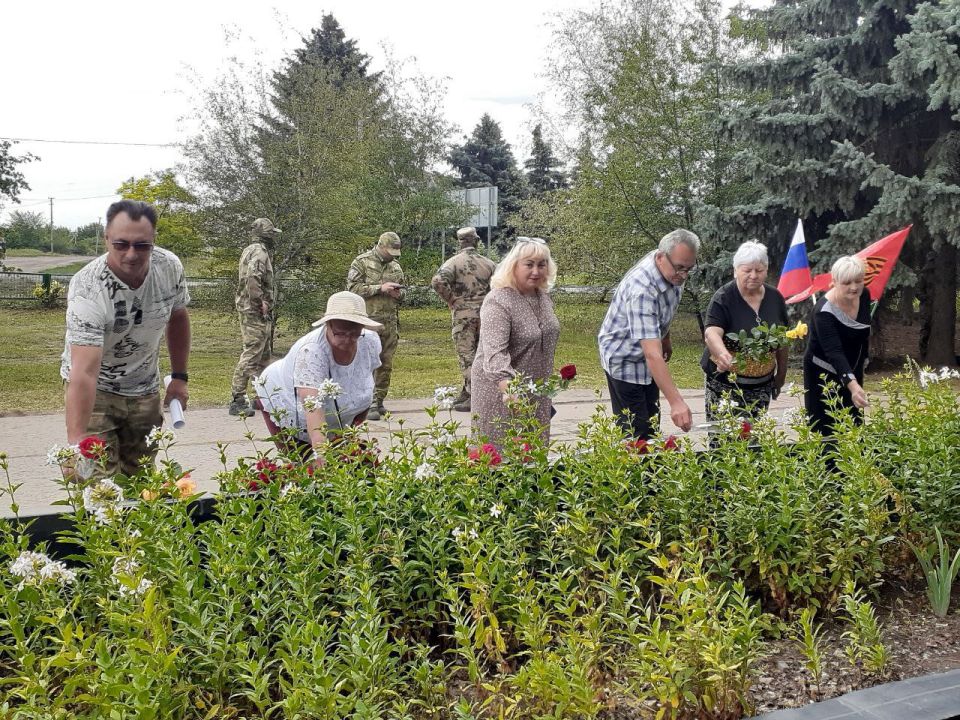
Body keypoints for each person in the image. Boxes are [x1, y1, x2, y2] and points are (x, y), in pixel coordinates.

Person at [60, 199, 191, 477]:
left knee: (141, 480)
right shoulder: (88, 288)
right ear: (106, 238)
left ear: (154, 240)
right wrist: (76, 442)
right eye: (121, 244)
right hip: (97, 392)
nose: (131, 254)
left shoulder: (169, 267)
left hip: (145, 388)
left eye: (142, 245)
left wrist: (180, 377)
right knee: (98, 485)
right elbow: (84, 372)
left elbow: (178, 317)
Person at [254, 291, 383, 461]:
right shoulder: (311, 352)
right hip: (284, 399)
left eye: (354, 333)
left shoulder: (369, 341)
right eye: (340, 333)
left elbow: (363, 384)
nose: (348, 340)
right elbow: (313, 409)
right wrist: (322, 459)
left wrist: (350, 433)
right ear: (327, 325)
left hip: (335, 410)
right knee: (303, 464)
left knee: (348, 459)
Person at [598, 229, 700, 439]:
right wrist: (677, 402)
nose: (683, 275)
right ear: (660, 257)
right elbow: (652, 354)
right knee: (637, 434)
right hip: (624, 358)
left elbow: (661, 312)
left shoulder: (672, 267)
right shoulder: (642, 290)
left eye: (689, 269)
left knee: (651, 424)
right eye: (680, 268)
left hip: (646, 356)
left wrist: (665, 338)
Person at [472, 237, 560, 447]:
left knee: (534, 452)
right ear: (514, 266)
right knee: (503, 453)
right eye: (529, 265)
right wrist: (510, 390)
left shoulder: (543, 297)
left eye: (542, 265)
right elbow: (495, 354)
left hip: (536, 389)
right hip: (502, 390)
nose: (536, 271)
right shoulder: (498, 300)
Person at [701, 241, 788, 425]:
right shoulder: (723, 298)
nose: (753, 275)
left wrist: (781, 375)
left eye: (759, 270)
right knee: (724, 436)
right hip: (725, 383)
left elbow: (783, 339)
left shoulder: (775, 298)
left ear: (766, 270)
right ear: (735, 271)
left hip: (762, 384)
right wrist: (722, 354)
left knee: (755, 436)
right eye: (747, 270)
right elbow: (711, 333)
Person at [431, 227, 497, 412]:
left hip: (463, 316)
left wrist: (451, 299)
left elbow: (437, 281)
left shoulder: (453, 262)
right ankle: (467, 392)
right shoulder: (489, 264)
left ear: (460, 242)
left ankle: (475, 396)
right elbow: (500, 284)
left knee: (466, 356)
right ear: (476, 240)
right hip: (486, 314)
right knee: (482, 354)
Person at [804, 256, 871, 436]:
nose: (854, 287)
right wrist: (853, 385)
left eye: (858, 281)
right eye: (847, 283)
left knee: (854, 424)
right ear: (834, 282)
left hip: (852, 367)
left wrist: (861, 365)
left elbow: (863, 332)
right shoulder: (823, 312)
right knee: (825, 427)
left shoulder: (864, 295)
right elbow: (834, 352)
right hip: (822, 372)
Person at [347, 232, 405, 420]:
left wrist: (398, 294)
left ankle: (379, 401)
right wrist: (379, 288)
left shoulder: (395, 266)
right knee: (367, 362)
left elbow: (404, 293)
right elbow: (352, 289)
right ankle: (367, 403)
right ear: (381, 246)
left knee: (385, 364)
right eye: (390, 252)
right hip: (367, 322)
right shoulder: (362, 262)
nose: (392, 256)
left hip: (389, 322)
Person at [229, 217, 279, 417]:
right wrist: (260, 302)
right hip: (254, 310)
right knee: (252, 352)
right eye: (272, 233)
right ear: (266, 235)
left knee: (263, 354)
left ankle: (262, 396)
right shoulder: (259, 252)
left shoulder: (251, 250)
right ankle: (238, 398)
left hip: (251, 308)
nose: (274, 237)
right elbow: (252, 278)